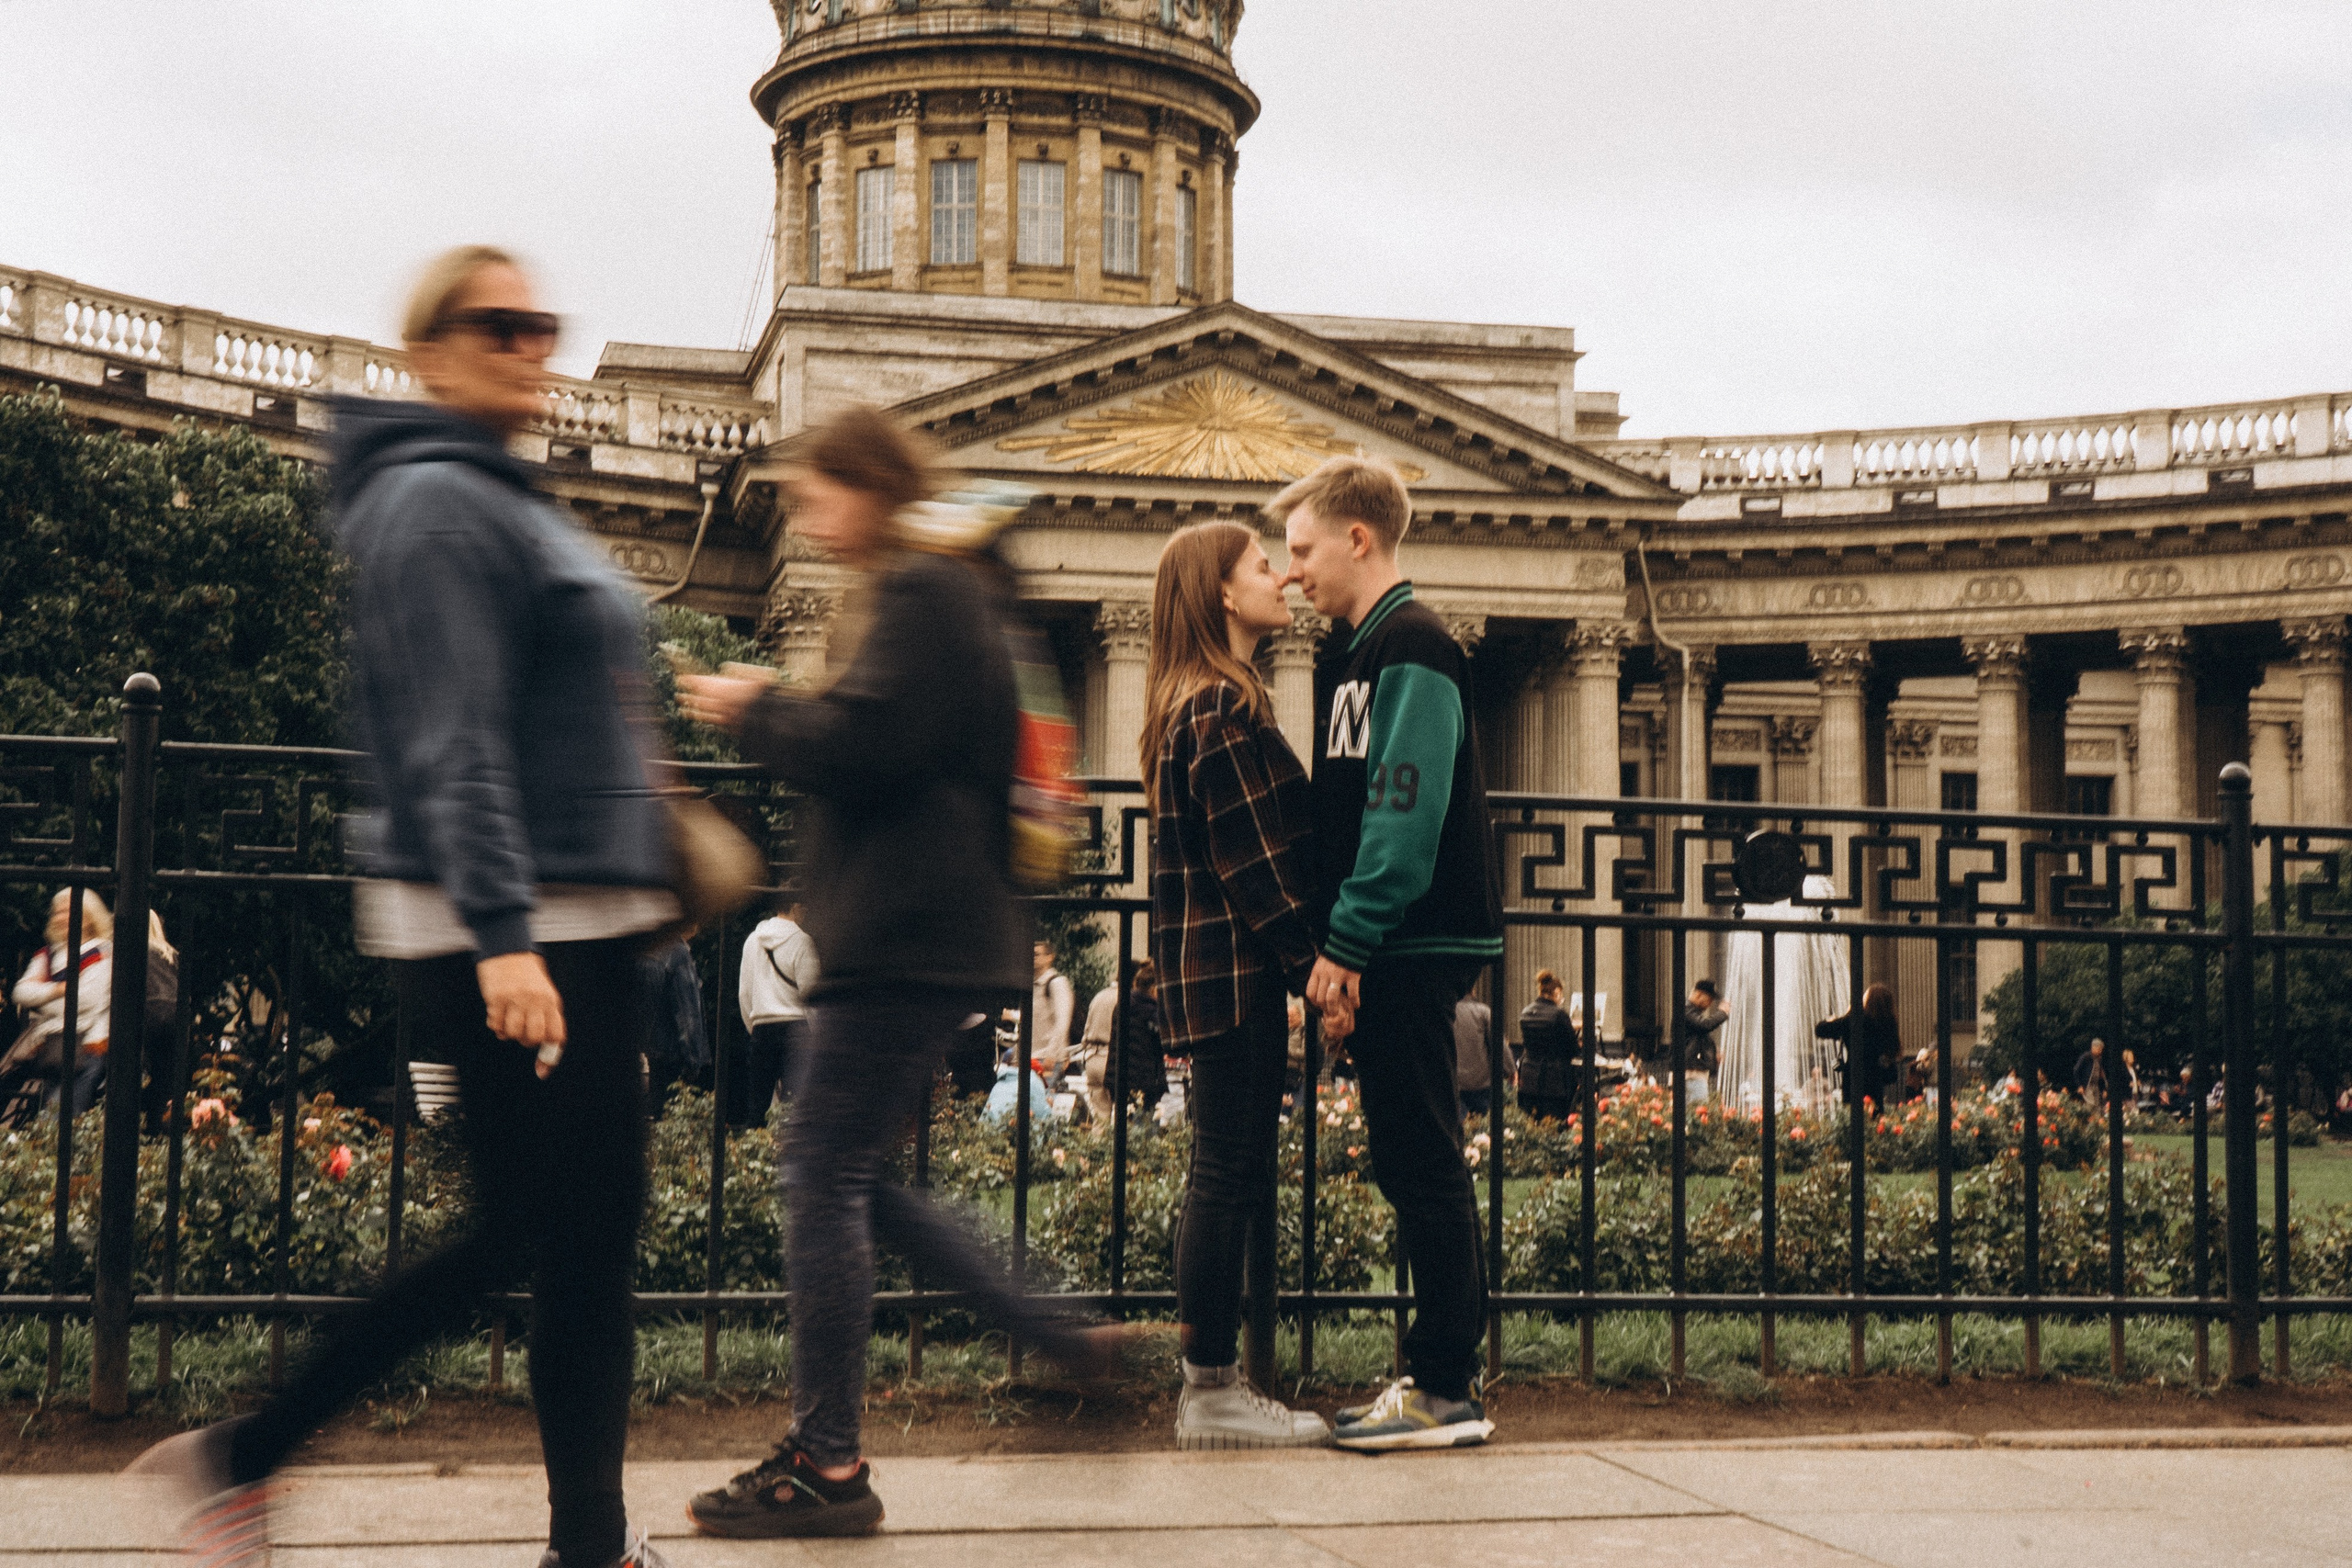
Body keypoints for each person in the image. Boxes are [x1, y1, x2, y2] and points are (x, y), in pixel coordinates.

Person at [131, 247, 674, 1568]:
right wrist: (506, 934)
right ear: (430, 355)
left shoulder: (506, 496)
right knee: (540, 1235)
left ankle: (587, 1544)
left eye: (542, 322)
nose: (531, 345)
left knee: (578, 1245)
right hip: (512, 928)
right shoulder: (437, 503)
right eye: (499, 326)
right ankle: (244, 1453)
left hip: (576, 920)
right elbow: (455, 736)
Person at [676, 405, 1119, 1537]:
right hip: (920, 935)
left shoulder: (924, 591)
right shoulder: (943, 588)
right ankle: (1061, 1335)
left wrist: (755, 707)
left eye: (817, 494)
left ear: (866, 486)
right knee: (855, 1176)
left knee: (821, 1172)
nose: (808, 517)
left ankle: (827, 1461)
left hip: (903, 935)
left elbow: (866, 749)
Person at [1281, 456, 1503, 1451]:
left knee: (1421, 1159)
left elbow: (1400, 816)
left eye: (1302, 549)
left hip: (1412, 938)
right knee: (1413, 1158)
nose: (1292, 573)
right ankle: (1437, 1376)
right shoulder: (1361, 649)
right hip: (1394, 944)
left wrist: (1347, 944)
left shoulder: (1410, 646)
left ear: (1356, 538)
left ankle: (1445, 1384)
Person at [1140, 518, 1333, 1450]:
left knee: (1227, 1170)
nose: (1284, 579)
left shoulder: (1198, 700)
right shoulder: (1220, 704)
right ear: (1220, 591)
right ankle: (1210, 1390)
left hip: (1210, 971)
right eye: (1265, 566)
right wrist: (1317, 971)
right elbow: (1252, 863)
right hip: (1236, 971)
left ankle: (1211, 1386)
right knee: (1225, 1173)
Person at [5, 888, 113, 1119]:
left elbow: (87, 1000)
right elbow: (20, 992)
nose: (61, 917)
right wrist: (59, 990)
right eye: (58, 912)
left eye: (69, 911)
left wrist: (43, 1001)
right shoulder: (48, 954)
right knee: (52, 1121)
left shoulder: (101, 952)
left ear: (89, 916)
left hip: (87, 1049)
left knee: (56, 1122)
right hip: (54, 1049)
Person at [739, 900, 818, 1122]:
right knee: (795, 1107)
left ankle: (754, 1153)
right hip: (796, 1028)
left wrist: (753, 1026)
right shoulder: (803, 941)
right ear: (795, 907)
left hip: (762, 1027)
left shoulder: (752, 940)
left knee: (757, 1107)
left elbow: (745, 993)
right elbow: (811, 996)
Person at [643, 935, 709, 1115]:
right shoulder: (677, 953)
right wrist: (694, 1059)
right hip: (673, 1055)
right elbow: (688, 1012)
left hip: (648, 1052)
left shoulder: (646, 948)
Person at [1814, 982, 1900, 1110]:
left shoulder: (1855, 1020)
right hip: (1875, 1084)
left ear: (1869, 1000)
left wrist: (1841, 1016)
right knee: (1874, 1119)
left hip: (1853, 1082)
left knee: (1853, 1120)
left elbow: (1820, 1029)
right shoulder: (1889, 1025)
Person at [1515, 970, 1578, 1121]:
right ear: (1556, 992)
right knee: (1554, 1125)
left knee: (1530, 1124)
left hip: (1528, 1078)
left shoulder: (1526, 1012)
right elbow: (1572, 1049)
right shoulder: (1559, 1014)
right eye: (1561, 996)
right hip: (1553, 1083)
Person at [1452, 992, 1507, 1118]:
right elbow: (1498, 1042)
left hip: (1456, 1081)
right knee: (1484, 1125)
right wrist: (1510, 1069)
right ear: (1473, 992)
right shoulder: (1483, 1011)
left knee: (1460, 1124)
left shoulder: (1449, 1011)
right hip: (1481, 1082)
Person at [1031, 941, 1076, 1086]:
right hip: (1032, 1056)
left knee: (1046, 1099)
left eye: (1037, 954)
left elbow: (1063, 1021)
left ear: (1050, 957)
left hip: (1048, 1058)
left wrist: (1052, 1054)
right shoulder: (1033, 985)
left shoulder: (1057, 983)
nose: (1033, 958)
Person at [1678, 979, 1728, 1104]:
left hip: (1692, 1072)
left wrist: (1713, 1052)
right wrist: (1723, 1013)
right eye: (1709, 999)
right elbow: (1704, 1025)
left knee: (1694, 1114)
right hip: (1690, 1073)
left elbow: (1698, 1036)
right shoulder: (1685, 1009)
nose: (1710, 1004)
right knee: (1699, 1112)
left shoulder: (1690, 1011)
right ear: (1699, 994)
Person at [2075, 1037, 2109, 1105]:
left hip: (2096, 1086)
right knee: (2090, 1105)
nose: (2100, 1051)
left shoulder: (2099, 1059)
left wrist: (2104, 1089)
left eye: (2101, 1049)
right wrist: (2079, 1085)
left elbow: (2102, 1076)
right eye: (2099, 1049)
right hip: (2087, 1086)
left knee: (2097, 1105)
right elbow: (2076, 1070)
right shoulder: (2086, 1057)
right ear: (2093, 1047)